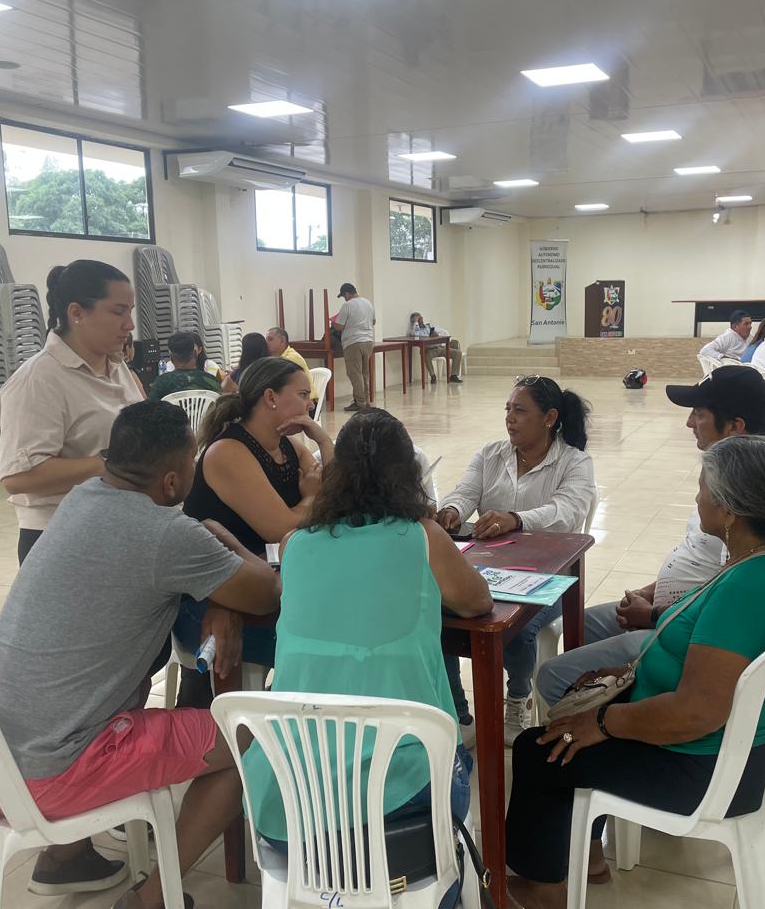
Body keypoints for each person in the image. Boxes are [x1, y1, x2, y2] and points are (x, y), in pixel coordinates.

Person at [505, 435, 765, 909]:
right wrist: (633, 670)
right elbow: (706, 654)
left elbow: (695, 712)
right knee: (572, 723)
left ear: (729, 509)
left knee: (538, 751)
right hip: (721, 747)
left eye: (702, 488)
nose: (696, 498)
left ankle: (543, 891)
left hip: (700, 767)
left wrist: (602, 722)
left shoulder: (749, 588)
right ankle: (585, 855)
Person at [0, 401, 281, 907]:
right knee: (251, 742)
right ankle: (151, 899)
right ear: (173, 483)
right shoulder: (166, 534)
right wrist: (221, 536)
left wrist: (217, 593)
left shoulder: (81, 497)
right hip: (54, 770)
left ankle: (66, 857)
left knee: (127, 690)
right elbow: (265, 592)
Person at [240, 410, 493, 890]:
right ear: (409, 473)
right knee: (460, 757)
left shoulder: (295, 545)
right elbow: (477, 602)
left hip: (287, 803)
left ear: (335, 473)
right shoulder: (422, 537)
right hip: (396, 803)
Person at [536, 367, 765, 740]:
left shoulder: (753, 510)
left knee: (553, 675)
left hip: (686, 636)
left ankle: (582, 732)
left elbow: (727, 608)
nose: (689, 423)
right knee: (580, 625)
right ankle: (594, 702)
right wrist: (651, 592)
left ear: (735, 426)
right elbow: (705, 568)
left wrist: (653, 616)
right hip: (677, 615)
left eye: (699, 414)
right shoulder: (735, 480)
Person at [435, 376, 596, 746]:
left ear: (549, 418)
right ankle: (458, 711)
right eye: (508, 409)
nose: (509, 418)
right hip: (490, 569)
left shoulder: (574, 462)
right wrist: (453, 510)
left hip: (551, 575)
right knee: (439, 617)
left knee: (516, 631)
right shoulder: (491, 454)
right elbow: (466, 491)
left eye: (520, 410)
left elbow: (567, 512)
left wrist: (517, 519)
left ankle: (517, 697)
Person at [177, 357, 335, 703]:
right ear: (271, 397)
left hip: (266, 580)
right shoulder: (228, 451)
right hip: (213, 595)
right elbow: (281, 527)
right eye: (303, 394)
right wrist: (311, 497)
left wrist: (323, 442)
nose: (310, 404)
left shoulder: (287, 444)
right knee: (325, 635)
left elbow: (335, 496)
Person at [0, 260, 143, 565]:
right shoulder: (39, 379)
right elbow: (18, 477)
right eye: (118, 312)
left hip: (119, 522)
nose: (129, 324)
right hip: (61, 535)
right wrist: (108, 463)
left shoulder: (117, 366)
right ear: (76, 313)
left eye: (130, 311)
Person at [333, 283, 376, 411]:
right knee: (364, 373)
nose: (344, 299)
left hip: (353, 343)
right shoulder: (368, 303)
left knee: (355, 373)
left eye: (343, 296)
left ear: (347, 294)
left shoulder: (348, 305)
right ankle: (366, 400)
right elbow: (373, 321)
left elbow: (339, 326)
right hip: (368, 341)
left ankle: (360, 402)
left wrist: (333, 322)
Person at [149, 331, 222, 399]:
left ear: (171, 357)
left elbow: (150, 406)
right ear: (195, 353)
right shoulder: (212, 381)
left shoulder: (161, 382)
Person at [264, 326, 318, 411]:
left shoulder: (291, 358)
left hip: (307, 404)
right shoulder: (277, 357)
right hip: (294, 401)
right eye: (266, 340)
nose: (266, 343)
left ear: (282, 340)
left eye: (270, 339)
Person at [409, 311, 464, 383]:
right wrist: (416, 323)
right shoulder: (415, 331)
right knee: (426, 356)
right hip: (429, 350)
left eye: (421, 318)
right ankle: (433, 376)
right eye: (418, 319)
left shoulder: (428, 327)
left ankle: (453, 375)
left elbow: (440, 333)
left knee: (457, 353)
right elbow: (415, 334)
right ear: (415, 322)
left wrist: (436, 335)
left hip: (439, 347)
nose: (421, 320)